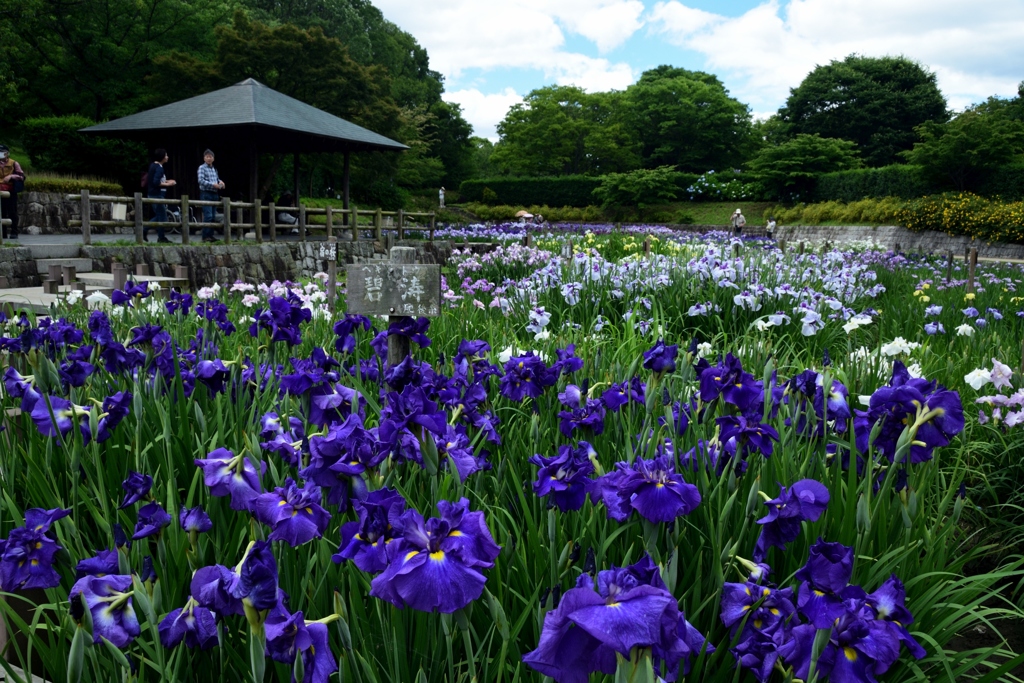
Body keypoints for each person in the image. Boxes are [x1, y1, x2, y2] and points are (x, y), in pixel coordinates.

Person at [146, 148, 176, 243]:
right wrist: (168, 184)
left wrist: (167, 181)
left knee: (160, 216)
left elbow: (154, 180)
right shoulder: (159, 168)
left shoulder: (153, 166)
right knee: (162, 217)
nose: (167, 157)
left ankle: (161, 237)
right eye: (166, 155)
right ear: (162, 157)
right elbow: (156, 182)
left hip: (152, 194)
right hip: (157, 195)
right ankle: (146, 229)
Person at [197, 149, 225, 242]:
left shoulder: (214, 169)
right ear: (204, 158)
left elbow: (216, 179)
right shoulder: (202, 168)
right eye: (207, 157)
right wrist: (212, 185)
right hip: (206, 193)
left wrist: (220, 182)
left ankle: (211, 235)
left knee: (213, 216)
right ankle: (205, 236)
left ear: (213, 158)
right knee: (208, 216)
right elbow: (200, 180)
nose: (209, 158)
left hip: (214, 194)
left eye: (210, 157)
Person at [0, 145, 26, 240]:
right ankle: (2, 233)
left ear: (7, 153)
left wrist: (11, 176)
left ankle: (14, 232)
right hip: (0, 192)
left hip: (10, 191)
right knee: (1, 213)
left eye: (2, 152)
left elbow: (21, 176)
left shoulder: (14, 163)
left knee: (12, 212)